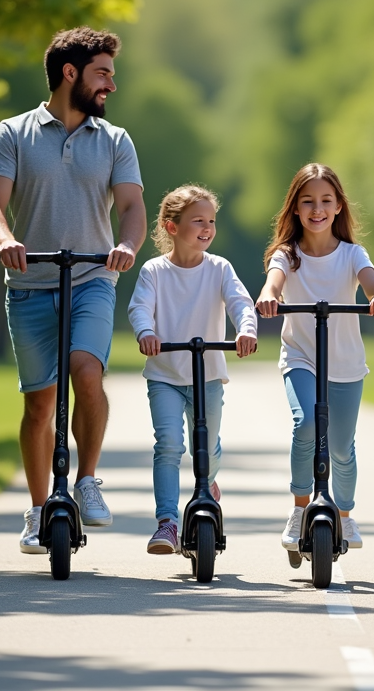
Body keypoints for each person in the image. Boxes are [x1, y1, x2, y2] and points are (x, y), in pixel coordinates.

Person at [0, 27, 146, 554]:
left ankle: (87, 479)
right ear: (69, 74)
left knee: (87, 371)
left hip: (94, 278)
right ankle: (35, 511)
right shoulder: (13, 133)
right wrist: (6, 239)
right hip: (30, 284)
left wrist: (128, 245)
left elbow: (133, 208)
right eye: (103, 74)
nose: (110, 86)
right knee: (39, 403)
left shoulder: (115, 140)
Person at [256, 163, 374, 551]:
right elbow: (275, 279)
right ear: (295, 209)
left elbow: (370, 281)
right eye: (308, 201)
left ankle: (345, 516)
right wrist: (270, 295)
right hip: (301, 356)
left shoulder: (352, 254)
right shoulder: (288, 254)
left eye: (325, 201)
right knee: (306, 425)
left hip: (345, 363)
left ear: (338, 207)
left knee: (341, 448)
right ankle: (301, 508)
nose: (317, 209)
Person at [129, 185, 258, 554]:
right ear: (172, 227)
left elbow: (239, 302)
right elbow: (140, 307)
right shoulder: (155, 271)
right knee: (168, 445)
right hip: (165, 375)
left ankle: (208, 484)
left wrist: (246, 329)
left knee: (209, 447)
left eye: (211, 221)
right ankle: (167, 522)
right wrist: (146, 331)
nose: (207, 227)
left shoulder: (219, 268)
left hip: (208, 374)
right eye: (198, 220)